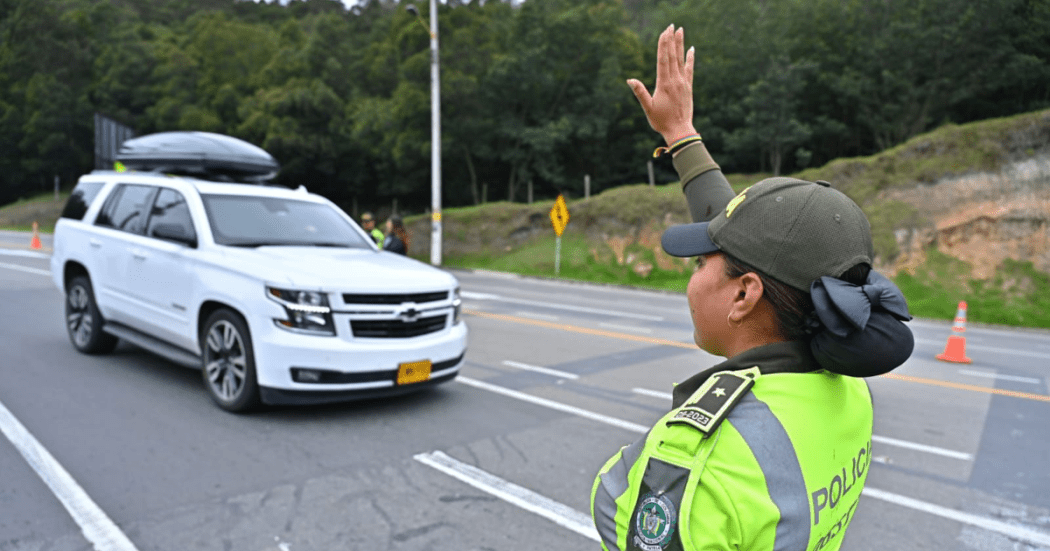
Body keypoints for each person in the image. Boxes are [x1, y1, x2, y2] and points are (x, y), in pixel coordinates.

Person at [590, 25, 915, 551]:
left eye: (701, 262)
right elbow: (764, 245)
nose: (692, 275)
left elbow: (613, 506)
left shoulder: (699, 465)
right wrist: (681, 134)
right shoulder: (847, 388)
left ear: (744, 295)